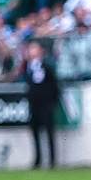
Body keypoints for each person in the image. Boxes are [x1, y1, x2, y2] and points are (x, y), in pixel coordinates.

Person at [21, 41, 60, 169]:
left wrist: (51, 102)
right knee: (35, 133)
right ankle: (37, 160)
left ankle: (52, 161)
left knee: (49, 132)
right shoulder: (27, 68)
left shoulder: (47, 67)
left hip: (46, 105)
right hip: (34, 105)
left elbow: (54, 86)